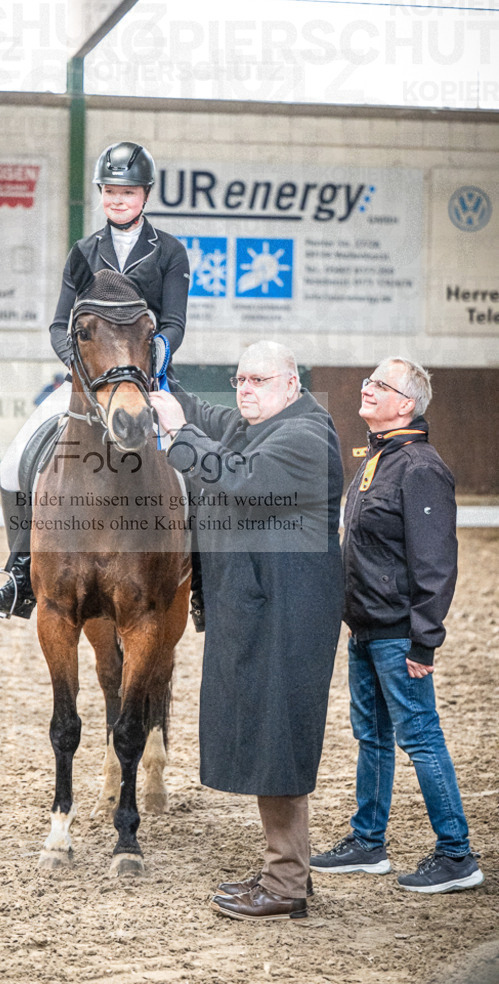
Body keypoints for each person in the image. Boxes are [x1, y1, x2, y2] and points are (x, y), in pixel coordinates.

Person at [150, 341, 344, 921]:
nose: (244, 388)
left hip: (289, 614)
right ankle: (281, 872)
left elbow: (241, 478)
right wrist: (160, 377)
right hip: (265, 609)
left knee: (278, 738)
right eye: (238, 379)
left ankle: (286, 885)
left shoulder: (306, 435)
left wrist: (179, 434)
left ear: (291, 384)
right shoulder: (263, 423)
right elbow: (212, 419)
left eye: (258, 379)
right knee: (267, 734)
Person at [0, 141, 192, 621]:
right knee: (13, 463)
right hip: (87, 380)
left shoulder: (170, 252)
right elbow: (58, 323)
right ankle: (19, 572)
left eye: (128, 192)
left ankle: (204, 584)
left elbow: (173, 321)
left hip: (148, 378)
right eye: (110, 191)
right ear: (100, 193)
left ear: (146, 195)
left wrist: (150, 360)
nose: (119, 200)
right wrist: (79, 365)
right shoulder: (84, 251)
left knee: (195, 464)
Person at [310, 358, 484, 894]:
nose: (366, 389)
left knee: (422, 738)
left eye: (379, 385)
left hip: (398, 636)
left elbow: (436, 565)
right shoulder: (378, 458)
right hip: (364, 628)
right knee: (373, 738)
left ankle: (457, 854)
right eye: (368, 381)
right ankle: (369, 842)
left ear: (405, 404)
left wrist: (424, 640)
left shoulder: (420, 467)